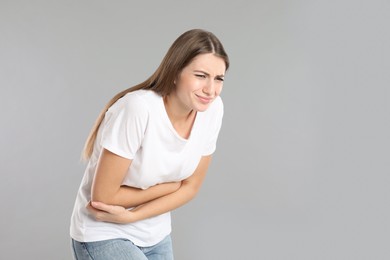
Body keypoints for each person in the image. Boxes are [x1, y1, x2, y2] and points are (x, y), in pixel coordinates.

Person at [70, 28, 229, 260]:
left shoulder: (213, 110)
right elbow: (103, 197)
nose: (210, 89)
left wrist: (133, 216)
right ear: (175, 72)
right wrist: (172, 186)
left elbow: (192, 187)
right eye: (201, 75)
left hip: (156, 235)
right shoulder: (138, 109)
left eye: (219, 79)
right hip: (103, 232)